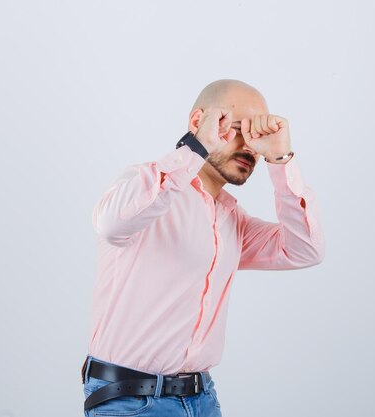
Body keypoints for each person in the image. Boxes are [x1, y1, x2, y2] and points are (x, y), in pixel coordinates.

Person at [81, 79, 325, 417]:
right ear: (199, 122)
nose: (251, 146)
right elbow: (110, 223)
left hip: (201, 399)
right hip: (129, 402)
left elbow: (305, 249)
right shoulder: (144, 187)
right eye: (239, 129)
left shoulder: (231, 221)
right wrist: (195, 147)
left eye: (258, 135)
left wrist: (281, 159)